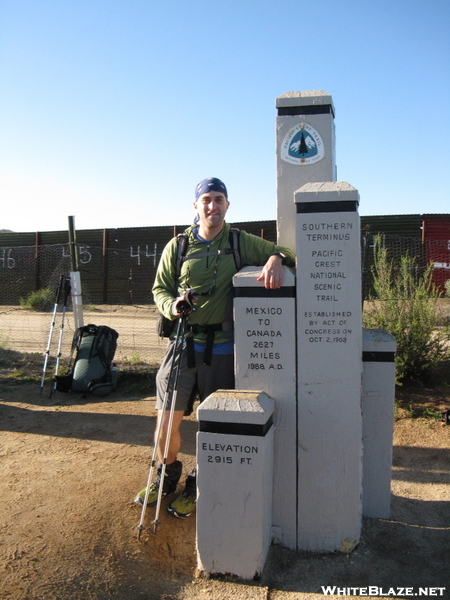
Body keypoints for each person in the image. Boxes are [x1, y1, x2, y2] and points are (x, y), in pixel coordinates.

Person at [135, 177, 295, 518]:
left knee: (216, 423)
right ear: (196, 206)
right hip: (182, 344)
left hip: (222, 347)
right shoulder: (177, 247)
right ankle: (166, 474)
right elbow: (159, 289)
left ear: (227, 205)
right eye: (206, 199)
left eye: (219, 199)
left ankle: (199, 480)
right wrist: (173, 305)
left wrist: (276, 257)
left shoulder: (239, 241)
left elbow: (288, 252)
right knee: (165, 424)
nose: (213, 205)